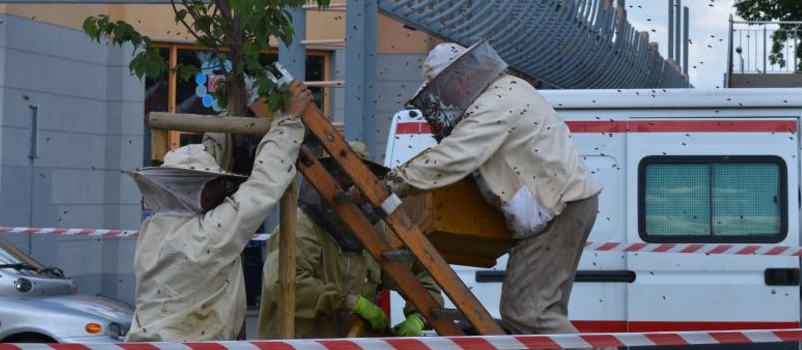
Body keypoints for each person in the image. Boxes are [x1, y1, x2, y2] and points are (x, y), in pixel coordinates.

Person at [386, 41, 602, 335]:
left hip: (556, 208)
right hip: (567, 203)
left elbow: (456, 154)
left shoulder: (495, 103)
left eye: (441, 90)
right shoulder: (511, 90)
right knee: (543, 311)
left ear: (458, 78)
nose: (443, 99)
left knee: (526, 313)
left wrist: (395, 181)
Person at [125, 80, 312, 341]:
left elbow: (202, 161)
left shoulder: (155, 227)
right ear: (192, 189)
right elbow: (262, 186)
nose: (220, 190)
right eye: (213, 184)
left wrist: (228, 115)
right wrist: (289, 120)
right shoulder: (209, 234)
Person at [258, 145, 443, 339]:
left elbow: (421, 280)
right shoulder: (300, 226)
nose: (348, 184)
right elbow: (284, 284)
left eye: (356, 177)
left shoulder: (378, 231)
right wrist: (350, 302)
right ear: (326, 178)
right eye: (340, 174)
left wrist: (416, 318)